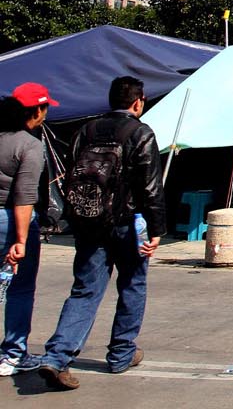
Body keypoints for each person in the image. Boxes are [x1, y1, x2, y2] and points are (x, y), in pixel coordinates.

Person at [36, 76, 165, 391]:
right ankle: (121, 353)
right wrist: (157, 229)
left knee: (84, 290)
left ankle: (56, 356)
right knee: (132, 286)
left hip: (90, 221)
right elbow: (150, 188)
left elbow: (70, 176)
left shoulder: (86, 131)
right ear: (138, 102)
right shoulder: (141, 133)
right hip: (127, 222)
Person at [0, 83, 59, 377]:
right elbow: (24, 195)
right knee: (20, 289)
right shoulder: (30, 145)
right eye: (45, 108)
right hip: (11, 220)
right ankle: (12, 354)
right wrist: (21, 240)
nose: (45, 114)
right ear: (35, 110)